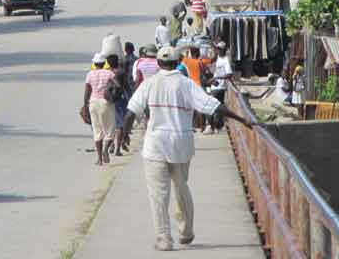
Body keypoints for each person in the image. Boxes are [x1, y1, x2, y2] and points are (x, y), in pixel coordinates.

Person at [122, 46, 250, 251]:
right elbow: (214, 105)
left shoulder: (149, 84)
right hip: (181, 145)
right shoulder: (186, 84)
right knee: (182, 188)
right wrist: (243, 120)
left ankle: (164, 238)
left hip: (155, 145)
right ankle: (186, 231)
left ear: (159, 63)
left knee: (158, 194)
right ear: (177, 62)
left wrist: (124, 136)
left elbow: (130, 113)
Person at [83, 53, 118, 166]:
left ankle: (99, 159)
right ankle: (105, 150)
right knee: (110, 130)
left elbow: (87, 91)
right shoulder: (109, 73)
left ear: (94, 63)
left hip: (93, 103)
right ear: (104, 63)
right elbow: (117, 85)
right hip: (105, 103)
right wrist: (109, 89)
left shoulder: (89, 74)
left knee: (97, 130)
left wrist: (85, 105)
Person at [107, 54, 129, 156]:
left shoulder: (107, 72)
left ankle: (111, 145)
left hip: (108, 100)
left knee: (111, 124)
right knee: (120, 125)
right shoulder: (121, 72)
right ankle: (117, 149)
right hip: (120, 100)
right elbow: (126, 86)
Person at [208, 41, 233, 133]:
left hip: (220, 87)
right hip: (214, 86)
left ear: (224, 50)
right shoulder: (218, 57)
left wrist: (217, 77)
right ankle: (218, 126)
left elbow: (229, 74)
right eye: (217, 49)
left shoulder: (226, 60)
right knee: (216, 105)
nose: (218, 50)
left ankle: (216, 126)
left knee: (215, 106)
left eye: (220, 49)